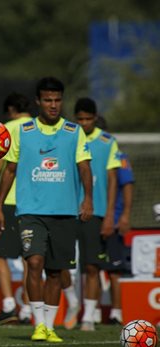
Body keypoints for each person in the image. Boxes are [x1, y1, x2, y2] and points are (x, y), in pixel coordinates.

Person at [0, 77, 93, 343]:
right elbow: (9, 169)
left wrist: (88, 200)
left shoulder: (74, 132)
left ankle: (50, 326)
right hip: (30, 211)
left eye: (57, 100)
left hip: (64, 211)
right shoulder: (23, 131)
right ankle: (38, 324)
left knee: (58, 271)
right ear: (38, 101)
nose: (53, 105)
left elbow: (84, 167)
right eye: (47, 100)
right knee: (34, 262)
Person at [73, 98, 121, 331]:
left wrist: (110, 215)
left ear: (95, 118)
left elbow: (113, 181)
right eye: (79, 119)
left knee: (92, 266)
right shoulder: (68, 137)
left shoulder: (107, 141)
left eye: (88, 119)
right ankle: (72, 303)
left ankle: (89, 316)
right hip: (66, 210)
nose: (83, 123)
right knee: (61, 266)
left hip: (97, 212)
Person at [0, 92, 32, 325]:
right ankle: (26, 309)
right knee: (29, 257)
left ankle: (8, 305)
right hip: (33, 202)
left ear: (11, 110)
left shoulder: (7, 128)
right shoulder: (36, 128)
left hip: (9, 200)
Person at [105, 149, 134, 324]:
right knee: (90, 268)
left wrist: (125, 214)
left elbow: (128, 183)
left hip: (112, 220)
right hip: (88, 218)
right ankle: (91, 313)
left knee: (114, 269)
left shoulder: (117, 154)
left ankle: (116, 312)